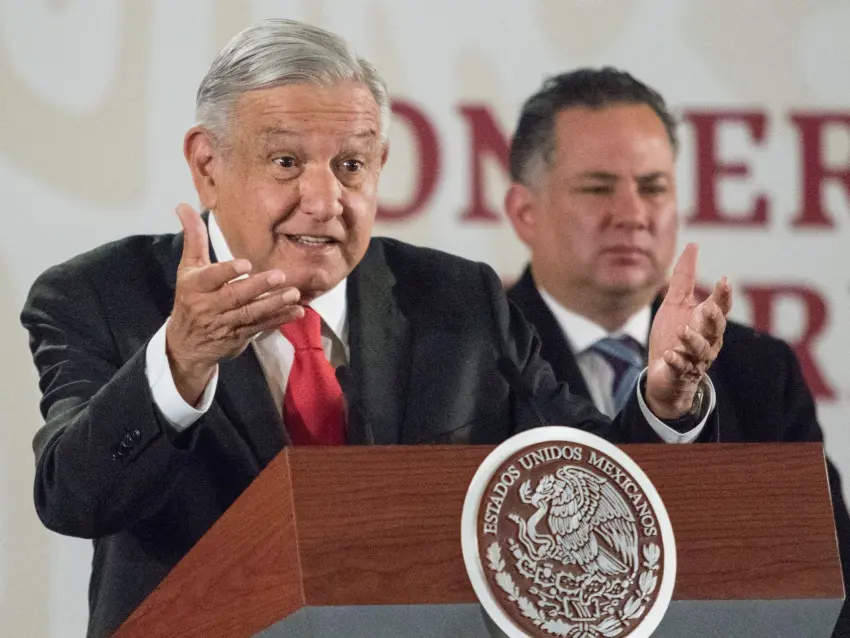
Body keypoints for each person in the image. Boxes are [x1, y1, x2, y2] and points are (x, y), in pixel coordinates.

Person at [20, 24, 730, 638]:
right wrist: (180, 362)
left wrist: (663, 404)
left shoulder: (458, 300)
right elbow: (74, 496)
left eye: (351, 166)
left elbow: (588, 475)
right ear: (208, 165)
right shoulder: (100, 295)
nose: (325, 199)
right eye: (287, 163)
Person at [503, 67, 850, 636]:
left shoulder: (759, 371)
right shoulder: (472, 359)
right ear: (525, 212)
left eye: (653, 187)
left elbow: (831, 586)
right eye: (597, 188)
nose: (632, 214)